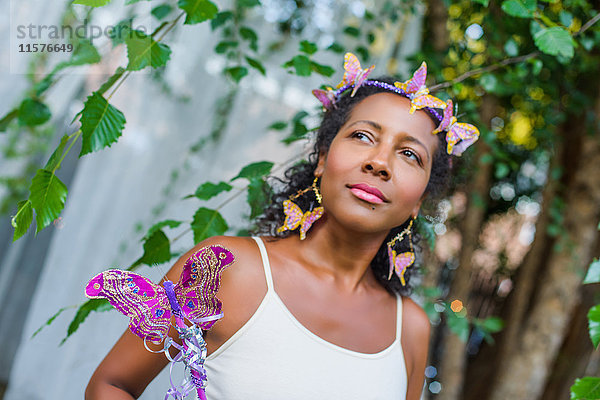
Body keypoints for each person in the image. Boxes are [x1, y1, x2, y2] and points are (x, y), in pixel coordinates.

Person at [85, 54, 477, 400]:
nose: (380, 162)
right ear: (322, 158)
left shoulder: (409, 329)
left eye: (409, 154)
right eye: (362, 136)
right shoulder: (226, 267)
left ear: (420, 202)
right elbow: (112, 385)